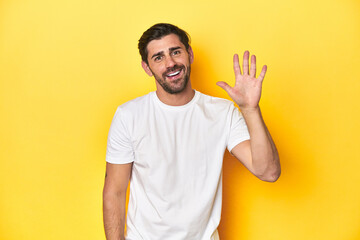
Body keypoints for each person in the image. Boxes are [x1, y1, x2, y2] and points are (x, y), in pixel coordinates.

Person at [103, 23, 281, 240]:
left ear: (190, 54)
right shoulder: (129, 115)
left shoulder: (222, 113)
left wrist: (250, 110)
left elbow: (268, 172)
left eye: (175, 52)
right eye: (158, 57)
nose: (170, 63)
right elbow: (115, 192)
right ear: (147, 67)